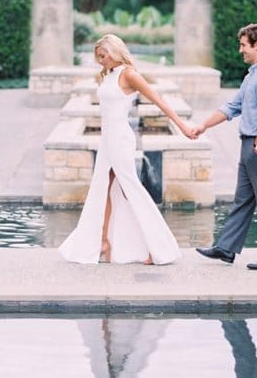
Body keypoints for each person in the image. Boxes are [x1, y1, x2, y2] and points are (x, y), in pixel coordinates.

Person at [59, 34, 191, 265]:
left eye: (103, 55)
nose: (101, 61)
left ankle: (156, 248)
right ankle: (102, 240)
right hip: (106, 140)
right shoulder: (108, 75)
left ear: (114, 51)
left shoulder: (129, 74)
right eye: (98, 57)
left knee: (132, 190)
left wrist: (182, 126)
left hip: (120, 140)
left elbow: (158, 100)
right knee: (104, 187)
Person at [193, 23, 257, 270]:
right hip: (251, 144)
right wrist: (203, 126)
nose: (240, 50)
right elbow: (232, 107)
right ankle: (226, 248)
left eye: (244, 45)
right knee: (243, 199)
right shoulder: (253, 75)